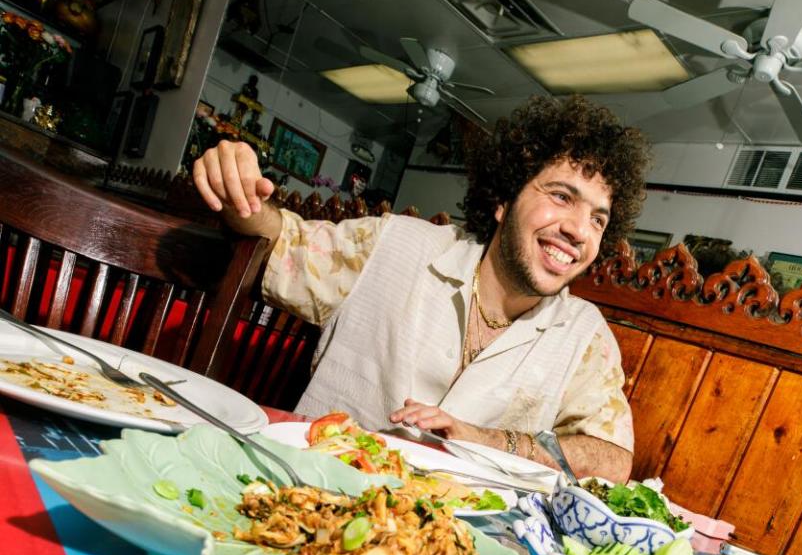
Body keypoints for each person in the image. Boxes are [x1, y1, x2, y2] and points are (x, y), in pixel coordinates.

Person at [192, 96, 651, 482]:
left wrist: (488, 440)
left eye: (598, 219)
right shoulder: (390, 245)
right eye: (562, 196)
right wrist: (234, 182)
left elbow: (613, 460)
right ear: (503, 201)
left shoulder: (584, 336)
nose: (578, 230)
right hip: (300, 489)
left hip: (446, 550)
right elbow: (276, 239)